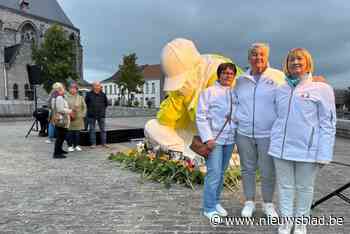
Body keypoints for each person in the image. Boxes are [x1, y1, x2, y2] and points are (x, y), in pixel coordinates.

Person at [269, 48, 336, 234]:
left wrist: (324, 153)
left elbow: (328, 123)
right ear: (286, 64)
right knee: (284, 188)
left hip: (308, 151)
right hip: (281, 150)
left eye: (299, 59)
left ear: (308, 63)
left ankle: (300, 225)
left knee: (305, 189)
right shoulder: (280, 89)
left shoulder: (322, 89)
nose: (295, 62)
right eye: (291, 59)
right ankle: (285, 223)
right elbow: (275, 116)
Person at [144, 38, 243, 158]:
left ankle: (196, 157)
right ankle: (185, 156)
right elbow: (165, 121)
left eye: (182, 80)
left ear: (195, 69)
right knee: (152, 127)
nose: (180, 87)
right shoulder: (183, 87)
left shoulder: (221, 75)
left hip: (229, 137)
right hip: (200, 138)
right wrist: (177, 97)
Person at [234, 43, 284, 218]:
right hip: (244, 133)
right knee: (247, 169)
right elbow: (234, 103)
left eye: (262, 54)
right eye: (254, 55)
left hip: (268, 134)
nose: (258, 58)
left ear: (267, 57)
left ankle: (268, 204)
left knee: (268, 171)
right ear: (249, 58)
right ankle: (249, 202)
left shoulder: (278, 77)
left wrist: (314, 80)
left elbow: (291, 94)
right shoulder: (240, 80)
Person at [196, 63, 238, 220]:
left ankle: (216, 201)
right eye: (225, 73)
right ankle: (209, 207)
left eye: (231, 73)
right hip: (214, 140)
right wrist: (207, 138)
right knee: (213, 173)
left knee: (221, 173)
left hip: (230, 139)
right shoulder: (209, 92)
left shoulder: (235, 93)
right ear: (219, 74)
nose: (228, 76)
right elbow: (201, 116)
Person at [85, 81, 109, 148]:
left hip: (101, 115)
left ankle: (104, 143)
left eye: (99, 85)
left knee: (103, 130)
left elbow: (106, 104)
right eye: (96, 85)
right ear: (93, 87)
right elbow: (86, 103)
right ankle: (93, 144)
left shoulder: (103, 94)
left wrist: (102, 110)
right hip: (91, 115)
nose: (98, 87)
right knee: (92, 130)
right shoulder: (88, 94)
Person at [51, 82, 72, 159]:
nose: (64, 89)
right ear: (60, 89)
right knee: (60, 137)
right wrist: (70, 111)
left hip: (59, 119)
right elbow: (60, 109)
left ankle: (60, 150)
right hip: (61, 119)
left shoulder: (56, 97)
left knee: (61, 136)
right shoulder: (59, 97)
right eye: (63, 88)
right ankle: (56, 153)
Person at [66, 82, 87, 152]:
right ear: (69, 89)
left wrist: (83, 114)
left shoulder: (80, 97)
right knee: (70, 133)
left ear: (77, 89)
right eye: (71, 88)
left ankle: (76, 145)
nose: (73, 90)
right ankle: (69, 145)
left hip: (78, 118)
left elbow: (84, 107)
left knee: (77, 133)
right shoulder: (65, 97)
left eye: (74, 88)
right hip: (69, 118)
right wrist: (68, 112)